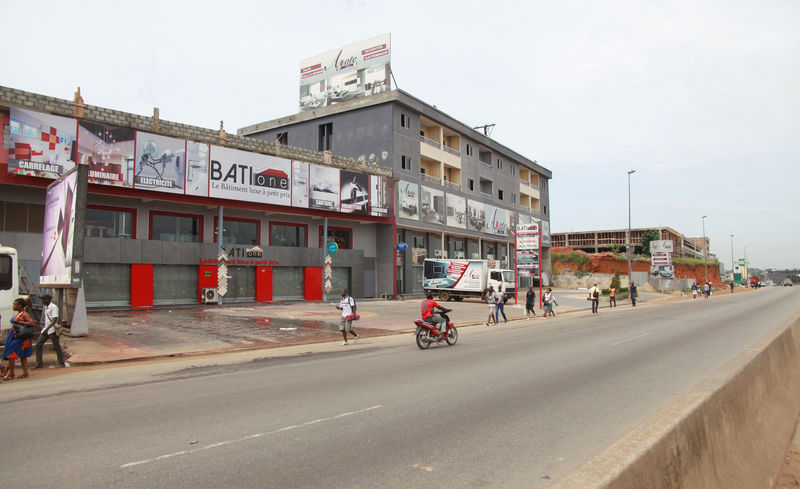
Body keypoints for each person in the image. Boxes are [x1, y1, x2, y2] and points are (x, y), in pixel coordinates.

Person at [2, 298, 34, 380]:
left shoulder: (24, 314)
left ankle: (12, 374)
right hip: (17, 336)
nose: (13, 306)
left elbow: (31, 322)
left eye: (15, 304)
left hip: (21, 338)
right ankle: (25, 373)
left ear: (19, 306)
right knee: (23, 355)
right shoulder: (20, 313)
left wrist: (19, 322)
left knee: (11, 353)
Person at [34, 294, 67, 369]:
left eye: (43, 299)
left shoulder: (54, 307)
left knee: (56, 346)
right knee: (38, 344)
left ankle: (61, 363)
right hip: (46, 329)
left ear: (48, 300)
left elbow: (55, 319)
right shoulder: (46, 307)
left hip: (52, 330)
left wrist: (47, 329)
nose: (42, 301)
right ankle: (39, 363)